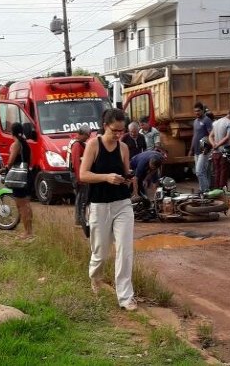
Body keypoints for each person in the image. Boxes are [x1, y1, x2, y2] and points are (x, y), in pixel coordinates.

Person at [79, 108, 137, 312]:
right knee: (100, 253)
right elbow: (83, 175)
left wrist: (129, 178)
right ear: (105, 127)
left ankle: (125, 297)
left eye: (122, 131)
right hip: (99, 205)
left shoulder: (123, 148)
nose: (119, 135)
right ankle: (95, 279)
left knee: (125, 250)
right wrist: (106, 177)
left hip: (122, 203)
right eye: (115, 130)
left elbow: (126, 170)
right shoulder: (93, 145)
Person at [5, 122, 33, 238]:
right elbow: (29, 159)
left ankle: (27, 232)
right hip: (27, 174)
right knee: (26, 204)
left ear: (12, 132)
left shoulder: (16, 144)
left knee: (21, 205)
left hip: (19, 178)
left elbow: (11, 161)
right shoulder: (25, 143)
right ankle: (29, 231)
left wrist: (6, 167)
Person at [209, 107, 230, 190]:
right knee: (224, 172)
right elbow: (227, 137)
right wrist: (218, 145)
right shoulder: (229, 123)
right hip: (224, 152)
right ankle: (223, 191)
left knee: (217, 172)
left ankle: (216, 190)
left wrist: (214, 144)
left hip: (215, 152)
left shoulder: (216, 122)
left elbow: (210, 136)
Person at [68, 124, 90, 228]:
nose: (88, 138)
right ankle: (80, 220)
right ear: (81, 134)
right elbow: (76, 162)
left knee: (80, 197)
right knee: (81, 198)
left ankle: (79, 219)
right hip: (78, 174)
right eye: (87, 135)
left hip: (76, 174)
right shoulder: (77, 145)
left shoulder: (76, 142)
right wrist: (80, 178)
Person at [189, 102, 213, 193]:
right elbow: (194, 136)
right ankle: (202, 189)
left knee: (199, 171)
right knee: (200, 172)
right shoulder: (195, 121)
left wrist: (207, 147)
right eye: (195, 111)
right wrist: (191, 149)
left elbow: (211, 135)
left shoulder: (207, 120)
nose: (197, 113)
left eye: (198, 111)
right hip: (196, 151)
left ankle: (205, 190)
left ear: (203, 110)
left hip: (204, 151)